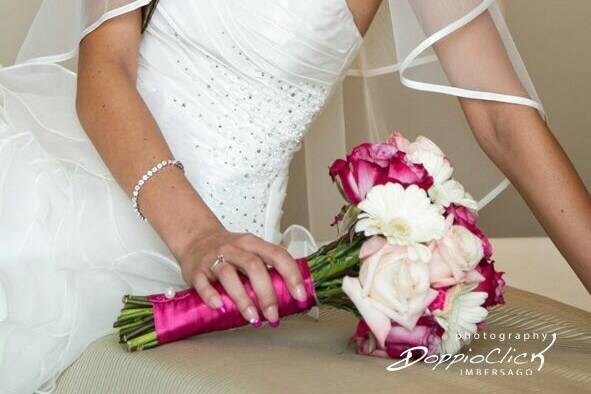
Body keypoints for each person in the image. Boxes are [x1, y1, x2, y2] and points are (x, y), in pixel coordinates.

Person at [0, 0, 589, 392]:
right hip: (88, 186)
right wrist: (197, 235)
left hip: (242, 245)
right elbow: (104, 64)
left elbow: (502, 121)